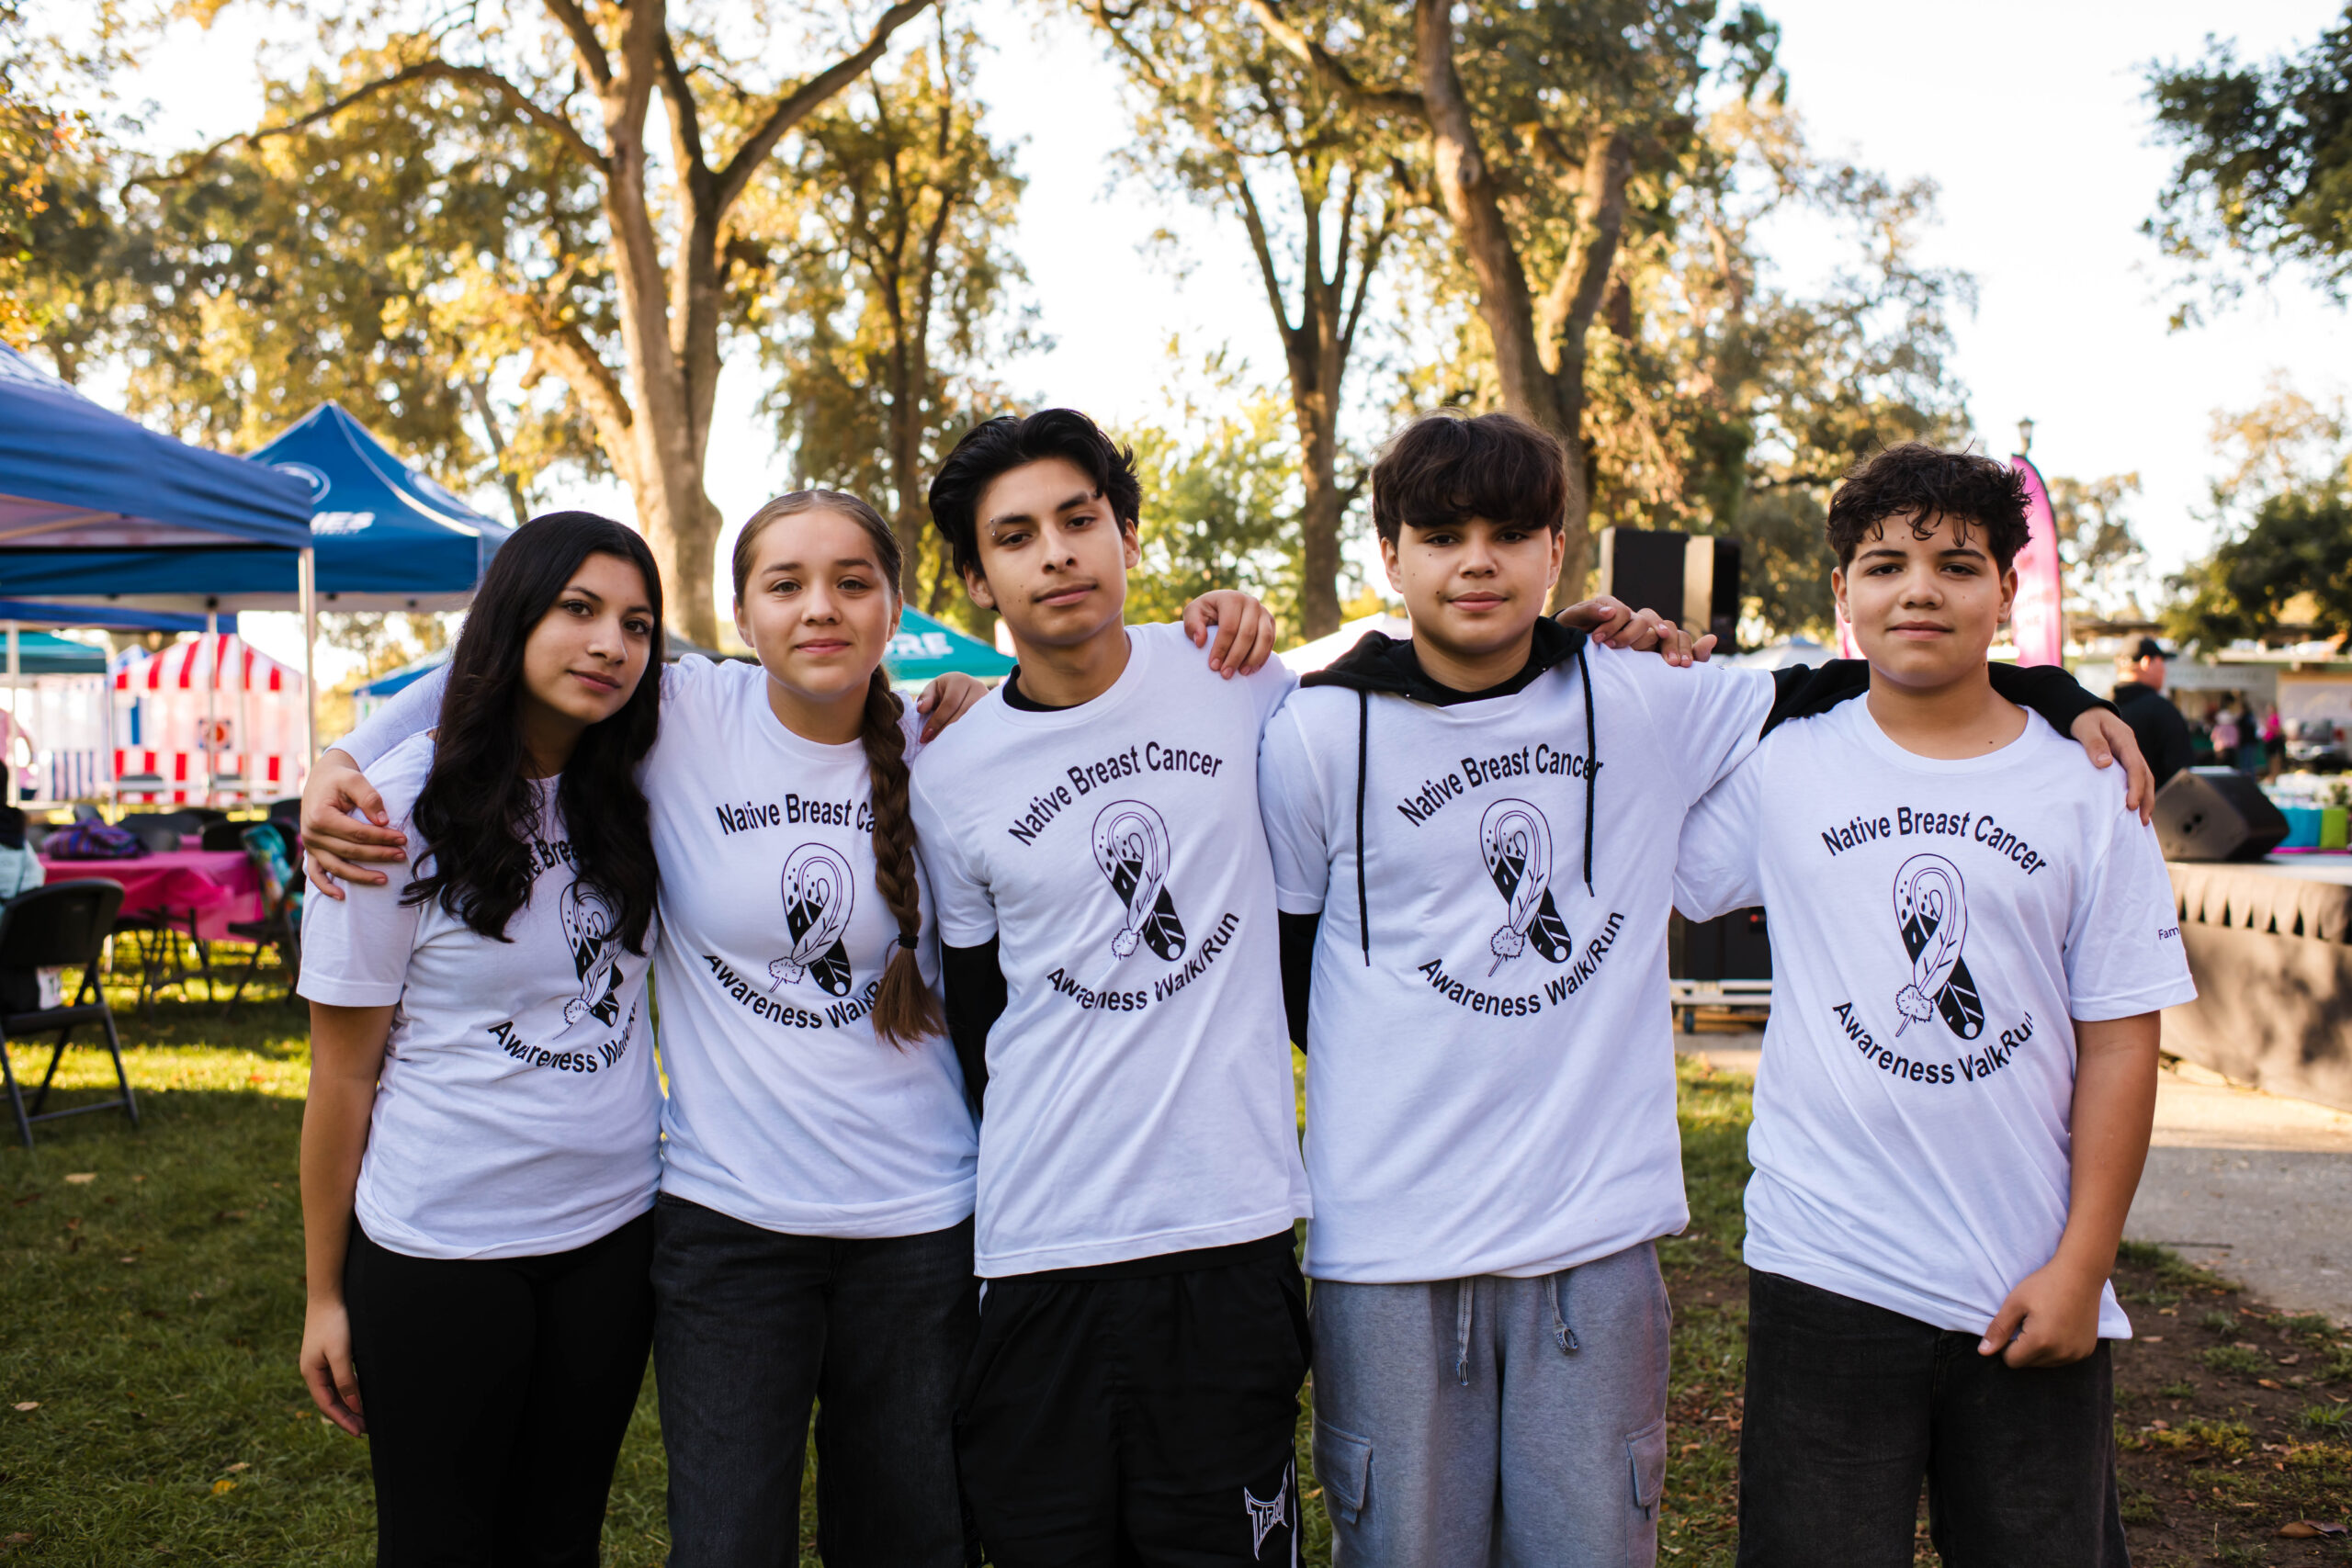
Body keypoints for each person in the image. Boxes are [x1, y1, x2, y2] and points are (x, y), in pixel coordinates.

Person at [298, 495, 1276, 1568]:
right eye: (786, 584)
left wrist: (1209, 624)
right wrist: (339, 753)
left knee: (910, 1541)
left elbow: (1099, 720)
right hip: (728, 1226)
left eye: (853, 583)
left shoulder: (948, 744)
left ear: (895, 607)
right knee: (725, 1545)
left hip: (920, 1224)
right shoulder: (683, 711)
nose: (821, 608)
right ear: (739, 613)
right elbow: (500, 655)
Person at [1253, 413, 2149, 1568]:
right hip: (1388, 1243)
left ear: (1556, 551)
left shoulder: (1643, 697)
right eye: (1440, 536)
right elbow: (1290, 965)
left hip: (1595, 1239)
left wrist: (2056, 694)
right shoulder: (1315, 732)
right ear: (1390, 555)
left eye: (1510, 534)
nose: (1476, 562)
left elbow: (1868, 674)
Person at [1672, 444, 2196, 1567]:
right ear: (1842, 594)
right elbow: (1624, 836)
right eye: (1884, 565)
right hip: (1825, 1265)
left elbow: (2120, 1043)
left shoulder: (2087, 788)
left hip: (2027, 1273)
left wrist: (2082, 1267)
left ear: (2006, 591)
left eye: (1956, 565)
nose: (1918, 590)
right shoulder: (1784, 767)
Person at [298, 512, 669, 1568]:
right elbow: (342, 1078)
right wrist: (324, 1295)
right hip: (442, 1250)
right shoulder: (386, 816)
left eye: (636, 625)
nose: (610, 644)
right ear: (512, 620)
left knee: (562, 1538)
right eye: (578, 609)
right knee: (439, 1543)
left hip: (613, 1238)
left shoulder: (641, 782)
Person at [2110, 637, 2194, 791]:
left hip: (2107, 804)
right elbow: (2181, 775)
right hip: (2156, 804)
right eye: (2161, 662)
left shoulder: (2099, 709)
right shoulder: (2162, 710)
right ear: (2146, 662)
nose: (2164, 670)